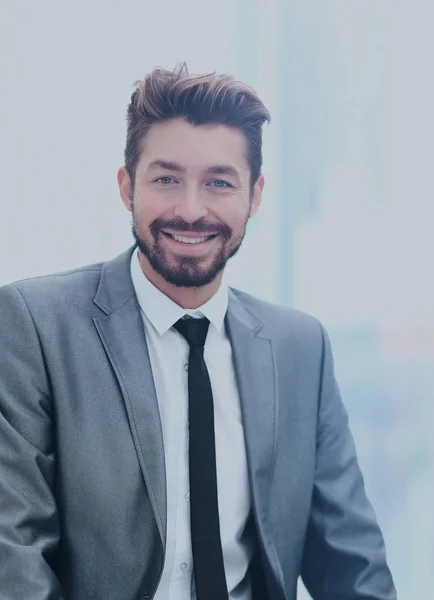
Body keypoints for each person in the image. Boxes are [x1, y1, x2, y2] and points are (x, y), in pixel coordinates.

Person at [0, 63, 396, 600]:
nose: (191, 210)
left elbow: (352, 565)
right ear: (126, 187)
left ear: (254, 195)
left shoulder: (300, 347)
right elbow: (15, 556)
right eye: (166, 179)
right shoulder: (34, 325)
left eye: (218, 182)